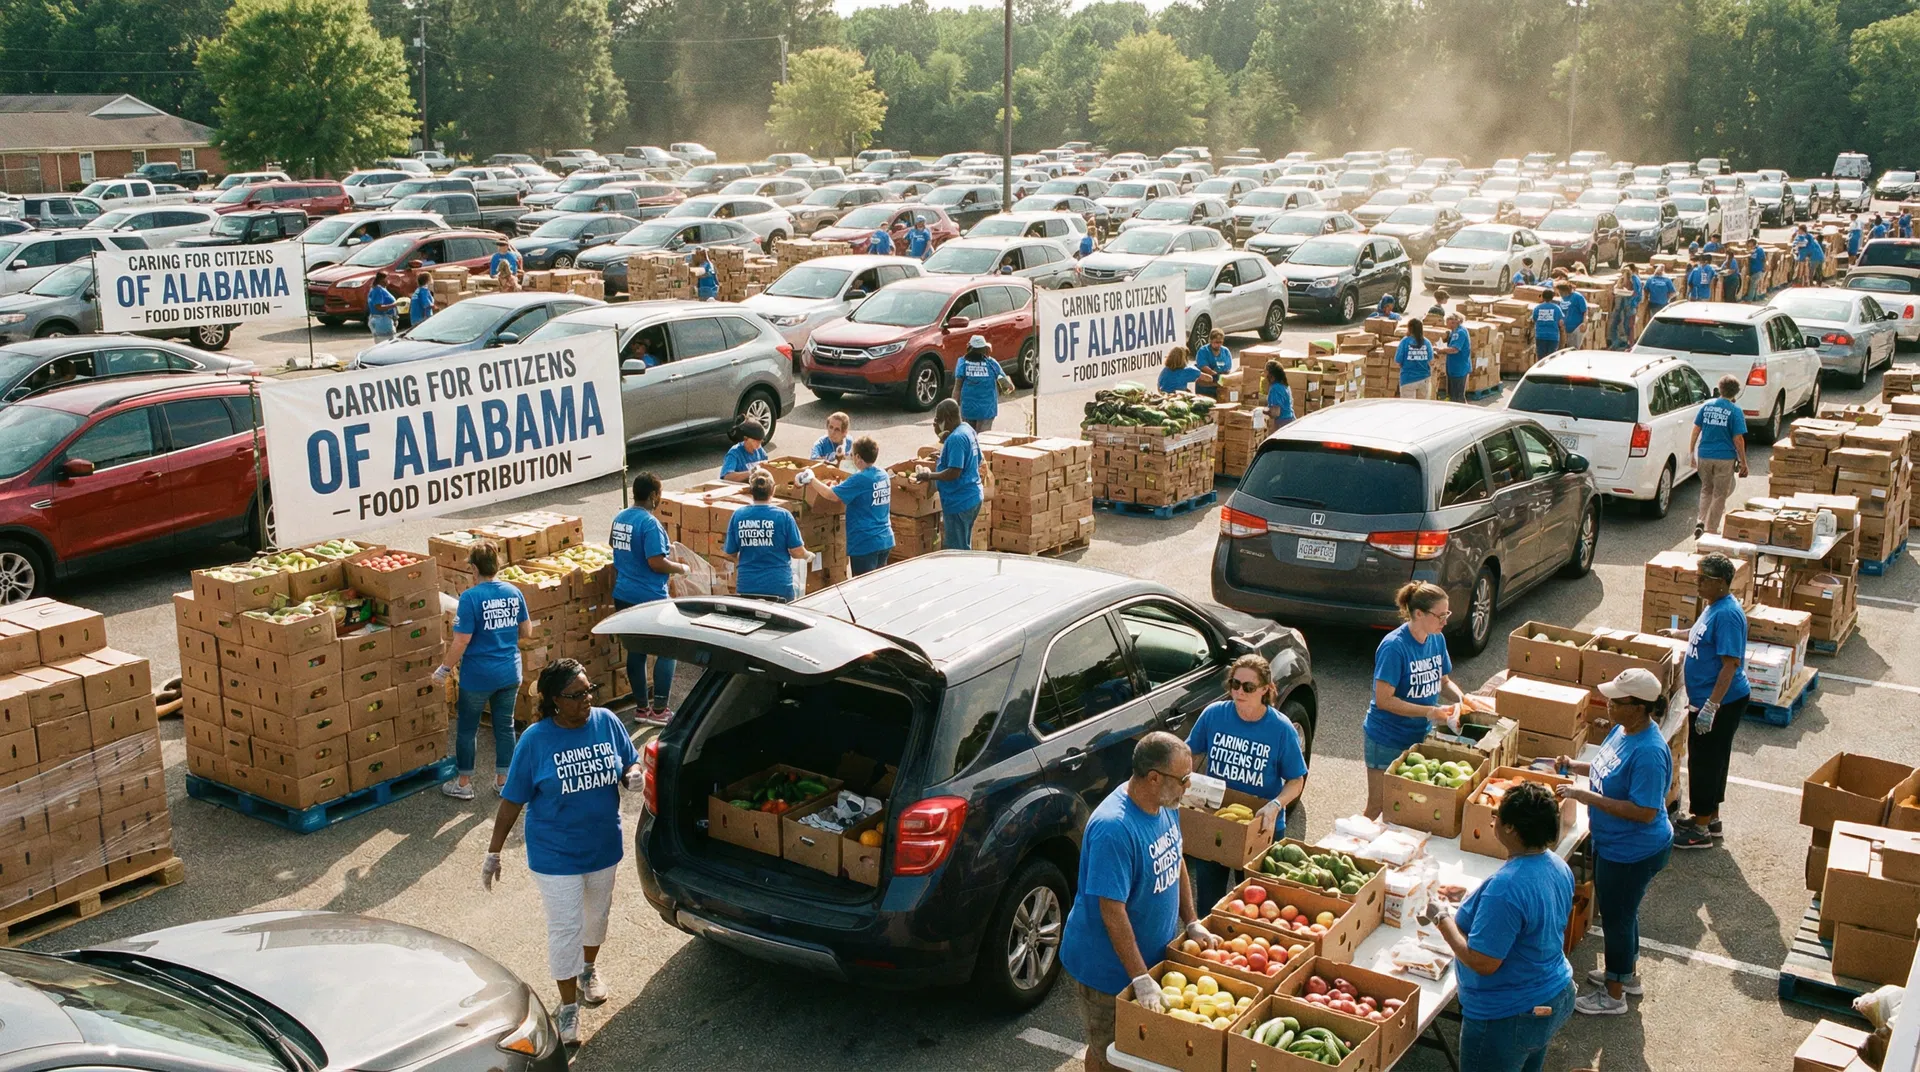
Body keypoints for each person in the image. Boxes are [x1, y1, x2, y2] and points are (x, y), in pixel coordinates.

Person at [483, 659, 642, 1046]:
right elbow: (512, 800)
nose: (586, 700)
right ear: (554, 700)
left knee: (597, 919)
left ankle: (588, 970)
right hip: (556, 856)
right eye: (575, 695)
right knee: (565, 929)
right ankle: (568, 1007)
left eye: (589, 691)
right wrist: (494, 851)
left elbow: (628, 759)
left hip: (603, 847)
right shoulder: (536, 740)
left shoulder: (607, 721)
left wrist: (632, 773)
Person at [1060, 732, 1219, 1072]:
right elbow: (1111, 911)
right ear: (1153, 778)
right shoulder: (1113, 829)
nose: (1188, 786)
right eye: (1184, 779)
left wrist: (1191, 921)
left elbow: (1175, 858)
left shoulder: (1165, 804)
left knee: (1113, 1051)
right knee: (1115, 1056)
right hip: (1108, 973)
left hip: (1145, 964)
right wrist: (1139, 977)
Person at [1421, 780, 1576, 1068]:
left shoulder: (1506, 888)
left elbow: (1482, 962)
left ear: (1510, 829)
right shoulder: (1557, 866)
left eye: (1497, 816)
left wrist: (1441, 918)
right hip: (1551, 997)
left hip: (1509, 1015)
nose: (1493, 820)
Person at [1554, 667, 1673, 1016]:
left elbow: (1645, 812)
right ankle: (1626, 974)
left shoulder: (1649, 752)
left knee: (1617, 920)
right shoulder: (1623, 731)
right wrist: (1575, 766)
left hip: (1633, 852)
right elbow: (1607, 768)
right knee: (1625, 913)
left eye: (1615, 701)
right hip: (1614, 845)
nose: (1607, 704)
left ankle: (1614, 995)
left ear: (1638, 707)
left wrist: (1586, 798)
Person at [1184, 655, 1308, 910]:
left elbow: (1296, 780)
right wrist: (1183, 782)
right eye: (1235, 684)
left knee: (1257, 905)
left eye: (1248, 687)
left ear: (1265, 689)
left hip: (1262, 824)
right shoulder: (1214, 715)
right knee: (1209, 902)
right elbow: (1190, 753)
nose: (1239, 692)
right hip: (1216, 817)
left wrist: (1276, 805)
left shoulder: (1281, 728)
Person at [1362, 582, 1467, 817]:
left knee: (1408, 808)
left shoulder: (1436, 639)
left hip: (1418, 738)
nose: (1445, 621)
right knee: (1379, 806)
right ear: (1419, 613)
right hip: (1386, 739)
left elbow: (1444, 681)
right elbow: (1384, 700)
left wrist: (1463, 700)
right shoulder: (1394, 647)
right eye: (1440, 615)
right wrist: (1430, 712)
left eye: (1447, 614)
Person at [437, 541, 531, 799]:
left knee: (467, 728)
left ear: (475, 568)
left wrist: (444, 669)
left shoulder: (470, 597)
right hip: (510, 672)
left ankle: (464, 783)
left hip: (478, 676)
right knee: (504, 726)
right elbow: (526, 631)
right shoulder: (514, 592)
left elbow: (461, 641)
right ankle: (503, 781)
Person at [1669, 553, 1750, 849]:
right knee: (1712, 761)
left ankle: (1700, 832)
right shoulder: (1714, 605)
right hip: (1708, 701)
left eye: (1704, 578)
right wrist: (1681, 634)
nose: (1698, 582)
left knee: (1705, 762)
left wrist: (1711, 707)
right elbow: (1704, 637)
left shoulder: (1728, 614)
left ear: (1720, 583)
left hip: (1720, 703)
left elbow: (1730, 665)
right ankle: (1708, 817)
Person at [609, 473, 689, 725]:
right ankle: (660, 709)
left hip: (623, 595)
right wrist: (680, 568)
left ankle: (641, 708)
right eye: (660, 496)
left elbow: (617, 548)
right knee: (668, 649)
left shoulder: (620, 518)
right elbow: (655, 562)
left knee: (636, 651)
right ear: (654, 496)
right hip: (650, 598)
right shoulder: (650, 523)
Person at [801, 435, 894, 575]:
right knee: (877, 586)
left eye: (851, 455)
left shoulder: (860, 479)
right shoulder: (882, 474)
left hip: (865, 543)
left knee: (863, 588)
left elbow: (830, 495)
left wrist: (811, 479)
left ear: (857, 457)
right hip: (885, 539)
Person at [724, 470, 808, 602]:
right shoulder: (783, 516)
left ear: (751, 491)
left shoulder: (738, 515)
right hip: (778, 586)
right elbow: (797, 552)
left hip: (747, 585)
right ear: (773, 490)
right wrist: (808, 555)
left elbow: (730, 553)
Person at [915, 399, 984, 551]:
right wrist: (943, 456)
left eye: (939, 420)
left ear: (949, 419)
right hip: (973, 497)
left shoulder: (956, 439)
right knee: (963, 543)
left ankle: (961, 574)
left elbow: (954, 472)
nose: (937, 425)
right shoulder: (967, 429)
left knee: (956, 549)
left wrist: (929, 476)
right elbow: (978, 459)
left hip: (960, 501)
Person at [1691, 375, 1749, 539]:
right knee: (1719, 494)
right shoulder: (1735, 411)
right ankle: (1711, 529)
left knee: (1706, 490)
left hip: (1704, 454)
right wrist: (1743, 462)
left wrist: (1692, 453)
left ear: (1719, 388)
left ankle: (1700, 520)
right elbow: (1738, 439)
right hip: (1724, 457)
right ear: (1736, 393)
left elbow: (1696, 430)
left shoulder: (1707, 406)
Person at [952, 334, 1011, 432]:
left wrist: (952, 407)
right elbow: (1007, 385)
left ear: (969, 348)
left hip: (968, 410)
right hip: (987, 411)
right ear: (984, 349)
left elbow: (957, 388)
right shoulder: (992, 363)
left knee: (970, 439)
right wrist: (1008, 385)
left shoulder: (962, 362)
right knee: (983, 440)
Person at [1394, 318, 1437, 399]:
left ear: (1409, 328)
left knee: (1408, 408)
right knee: (1421, 408)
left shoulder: (1404, 342)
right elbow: (1431, 361)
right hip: (1424, 379)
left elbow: (1398, 362)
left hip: (1408, 379)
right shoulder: (1427, 342)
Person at [1438, 312, 1472, 402]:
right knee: (1453, 394)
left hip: (1459, 368)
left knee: (1457, 396)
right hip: (1454, 367)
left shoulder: (1459, 333)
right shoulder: (1454, 331)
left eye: (1447, 322)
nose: (1446, 324)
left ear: (1454, 322)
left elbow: (1454, 349)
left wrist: (1440, 350)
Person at [1609, 266, 1642, 350]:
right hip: (1620, 304)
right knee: (1614, 324)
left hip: (1630, 305)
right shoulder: (1621, 279)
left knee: (1629, 326)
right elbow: (1616, 289)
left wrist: (1630, 296)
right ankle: (1616, 342)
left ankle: (1630, 344)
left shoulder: (1634, 280)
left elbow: (1637, 293)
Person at [1193, 329, 1233, 397]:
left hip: (1220, 383)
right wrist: (1214, 374)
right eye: (1216, 342)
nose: (1219, 344)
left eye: (1220, 342)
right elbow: (1202, 366)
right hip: (1205, 385)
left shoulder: (1225, 351)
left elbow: (1228, 368)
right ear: (1211, 341)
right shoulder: (1203, 351)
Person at [1531, 287, 1564, 359]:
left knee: (1541, 358)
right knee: (1551, 359)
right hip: (1553, 336)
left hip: (1540, 335)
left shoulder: (1537, 308)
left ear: (1542, 297)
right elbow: (1561, 323)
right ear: (1552, 297)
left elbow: (1533, 320)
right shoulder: (1557, 308)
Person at [1263, 359, 1294, 429]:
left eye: (1265, 371)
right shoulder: (1284, 385)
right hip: (1290, 420)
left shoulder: (1275, 388)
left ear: (1271, 374)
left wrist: (1263, 411)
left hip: (1283, 423)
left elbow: (1275, 413)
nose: (1263, 374)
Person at [367, 272, 398, 341]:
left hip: (383, 320)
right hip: (382, 321)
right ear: (382, 280)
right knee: (386, 343)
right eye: (387, 279)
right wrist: (395, 305)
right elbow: (379, 307)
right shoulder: (378, 290)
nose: (389, 281)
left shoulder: (380, 289)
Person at [1555, 281, 1587, 347]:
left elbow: (1585, 311)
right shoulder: (1562, 299)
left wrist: (1584, 323)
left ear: (1566, 290)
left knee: (1574, 349)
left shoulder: (1578, 297)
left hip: (1576, 328)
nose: (1560, 294)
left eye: (1561, 292)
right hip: (1565, 329)